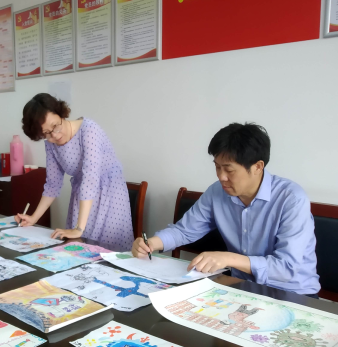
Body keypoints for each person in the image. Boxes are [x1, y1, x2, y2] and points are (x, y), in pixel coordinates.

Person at [132, 123, 320, 296]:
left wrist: (229, 259)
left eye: (229, 170)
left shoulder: (291, 199)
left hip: (292, 294)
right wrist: (151, 243)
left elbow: (286, 268)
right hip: (240, 287)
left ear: (258, 167)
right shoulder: (217, 192)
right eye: (217, 167)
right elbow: (184, 231)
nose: (221, 177)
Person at [16, 94, 133, 252]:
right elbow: (52, 184)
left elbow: (90, 179)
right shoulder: (50, 144)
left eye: (55, 126)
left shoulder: (89, 130)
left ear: (61, 113)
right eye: (46, 133)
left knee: (107, 253)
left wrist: (79, 228)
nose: (55, 135)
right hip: (82, 199)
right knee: (78, 253)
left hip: (110, 196)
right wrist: (33, 218)